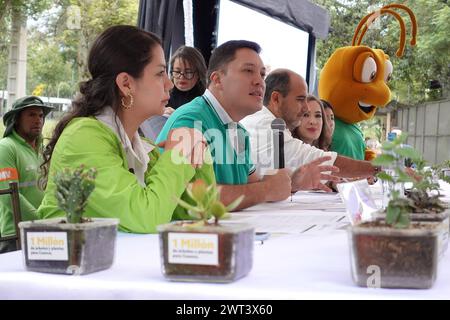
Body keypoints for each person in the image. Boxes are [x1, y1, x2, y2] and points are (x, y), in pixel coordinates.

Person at [37, 25, 214, 234]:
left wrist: (195, 149)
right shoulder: (83, 138)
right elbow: (147, 217)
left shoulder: (141, 146)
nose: (169, 84)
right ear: (126, 84)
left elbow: (199, 212)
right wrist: (178, 155)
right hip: (70, 263)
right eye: (159, 73)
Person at [158, 40, 335, 210]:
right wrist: (266, 190)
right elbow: (185, 198)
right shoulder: (191, 121)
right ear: (217, 79)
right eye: (248, 71)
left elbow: (252, 186)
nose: (260, 81)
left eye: (262, 74)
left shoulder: (239, 131)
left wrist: (294, 182)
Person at [241, 68, 380, 181]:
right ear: (276, 99)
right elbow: (321, 161)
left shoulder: (269, 123)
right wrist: (381, 169)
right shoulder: (266, 126)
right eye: (300, 99)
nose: (306, 108)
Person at [0, 96, 54, 253]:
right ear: (16, 120)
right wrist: (41, 220)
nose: (38, 120)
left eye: (41, 115)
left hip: (44, 232)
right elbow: (8, 196)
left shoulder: (43, 151)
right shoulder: (6, 148)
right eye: (31, 115)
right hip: (15, 236)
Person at [168, 45, 207, 110]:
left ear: (199, 74)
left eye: (188, 72)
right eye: (177, 72)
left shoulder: (206, 100)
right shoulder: (163, 97)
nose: (182, 76)